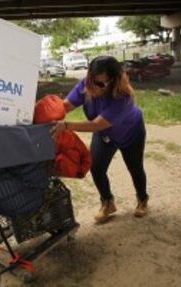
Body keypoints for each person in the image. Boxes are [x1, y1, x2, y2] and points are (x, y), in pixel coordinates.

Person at [51, 56, 148, 223]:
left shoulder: (123, 98)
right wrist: (47, 114)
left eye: (101, 83)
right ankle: (108, 202)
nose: (95, 87)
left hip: (130, 132)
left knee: (134, 167)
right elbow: (65, 106)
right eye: (93, 81)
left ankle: (143, 199)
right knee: (96, 167)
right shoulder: (87, 84)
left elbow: (97, 125)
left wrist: (65, 125)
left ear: (114, 80)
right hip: (106, 134)